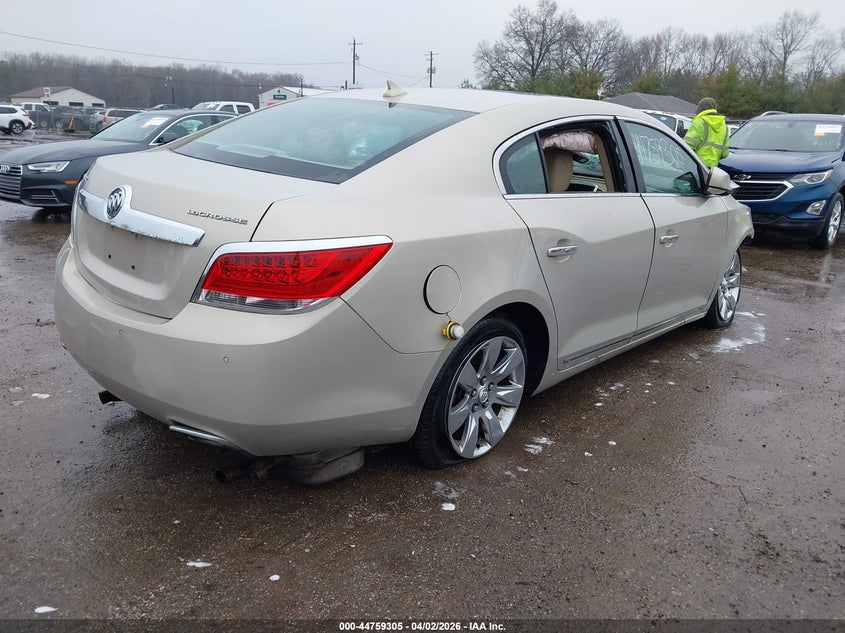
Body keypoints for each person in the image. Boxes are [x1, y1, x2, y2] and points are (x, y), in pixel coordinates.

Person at [683, 97, 730, 168]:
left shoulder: (699, 123)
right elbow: (725, 154)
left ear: (701, 108)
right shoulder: (724, 126)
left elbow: (687, 146)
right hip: (713, 170)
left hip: (697, 166)